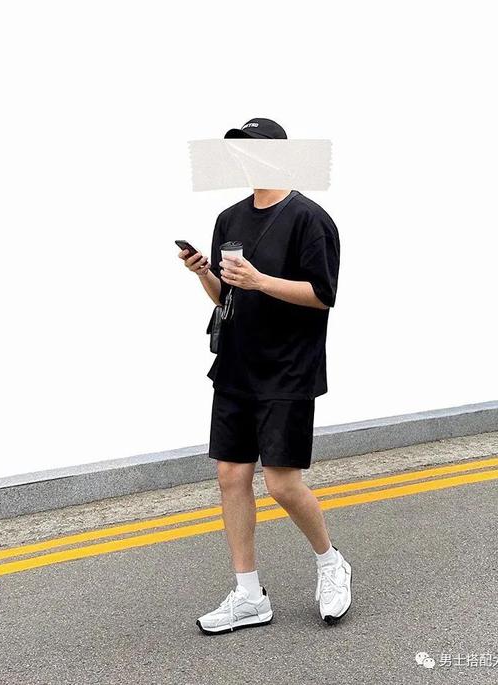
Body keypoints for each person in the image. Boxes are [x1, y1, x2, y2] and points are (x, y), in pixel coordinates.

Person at [178, 117, 351, 634]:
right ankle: (249, 594)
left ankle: (330, 562)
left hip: (288, 370)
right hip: (236, 366)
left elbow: (322, 294)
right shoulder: (229, 218)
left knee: (281, 484)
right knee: (230, 477)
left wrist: (260, 280)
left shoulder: (310, 219)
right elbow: (227, 297)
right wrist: (205, 274)